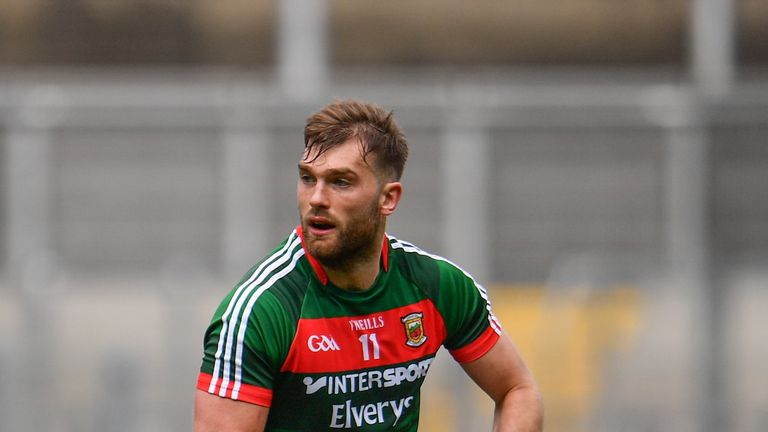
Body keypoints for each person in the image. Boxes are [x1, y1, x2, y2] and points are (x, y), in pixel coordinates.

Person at [194, 99, 543, 432]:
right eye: (307, 178)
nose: (316, 198)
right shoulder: (260, 311)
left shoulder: (436, 286)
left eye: (340, 182)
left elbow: (518, 390)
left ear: (388, 198)